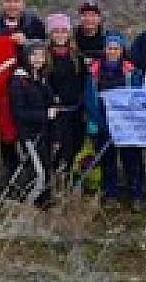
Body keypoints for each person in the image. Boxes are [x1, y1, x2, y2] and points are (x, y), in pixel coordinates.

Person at [84, 31, 145, 206]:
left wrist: (129, 120)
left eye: (116, 48)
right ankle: (110, 193)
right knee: (107, 161)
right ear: (104, 49)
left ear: (121, 49)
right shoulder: (94, 71)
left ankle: (136, 194)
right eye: (109, 48)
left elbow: (138, 97)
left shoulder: (132, 72)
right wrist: (101, 122)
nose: (112, 51)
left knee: (132, 160)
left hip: (127, 125)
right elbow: (89, 99)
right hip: (103, 123)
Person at [0, 0, 46, 175]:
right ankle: (11, 175)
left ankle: (34, 175)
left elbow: (44, 49)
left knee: (29, 132)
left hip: (29, 86)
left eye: (16, 1)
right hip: (2, 88)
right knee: (6, 134)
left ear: (23, 3)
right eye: (8, 1)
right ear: (1, 3)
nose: (12, 5)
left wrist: (27, 43)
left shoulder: (35, 23)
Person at [10, 40, 57, 207]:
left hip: (43, 134)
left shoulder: (41, 78)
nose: (38, 59)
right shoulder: (18, 81)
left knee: (46, 168)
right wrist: (45, 114)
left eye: (41, 55)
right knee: (39, 173)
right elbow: (19, 113)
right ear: (26, 57)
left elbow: (49, 101)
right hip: (29, 135)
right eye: (34, 55)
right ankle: (25, 207)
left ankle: (43, 206)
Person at [46, 13, 86, 178]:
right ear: (50, 34)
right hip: (56, 112)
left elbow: (83, 81)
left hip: (75, 110)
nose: (60, 34)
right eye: (56, 31)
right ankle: (54, 182)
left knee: (75, 147)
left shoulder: (77, 57)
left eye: (63, 30)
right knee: (58, 150)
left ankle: (68, 184)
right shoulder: (45, 57)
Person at [73, 0, 107, 65]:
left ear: (99, 18)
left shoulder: (107, 39)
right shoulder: (72, 39)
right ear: (79, 18)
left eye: (93, 15)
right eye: (85, 15)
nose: (89, 19)